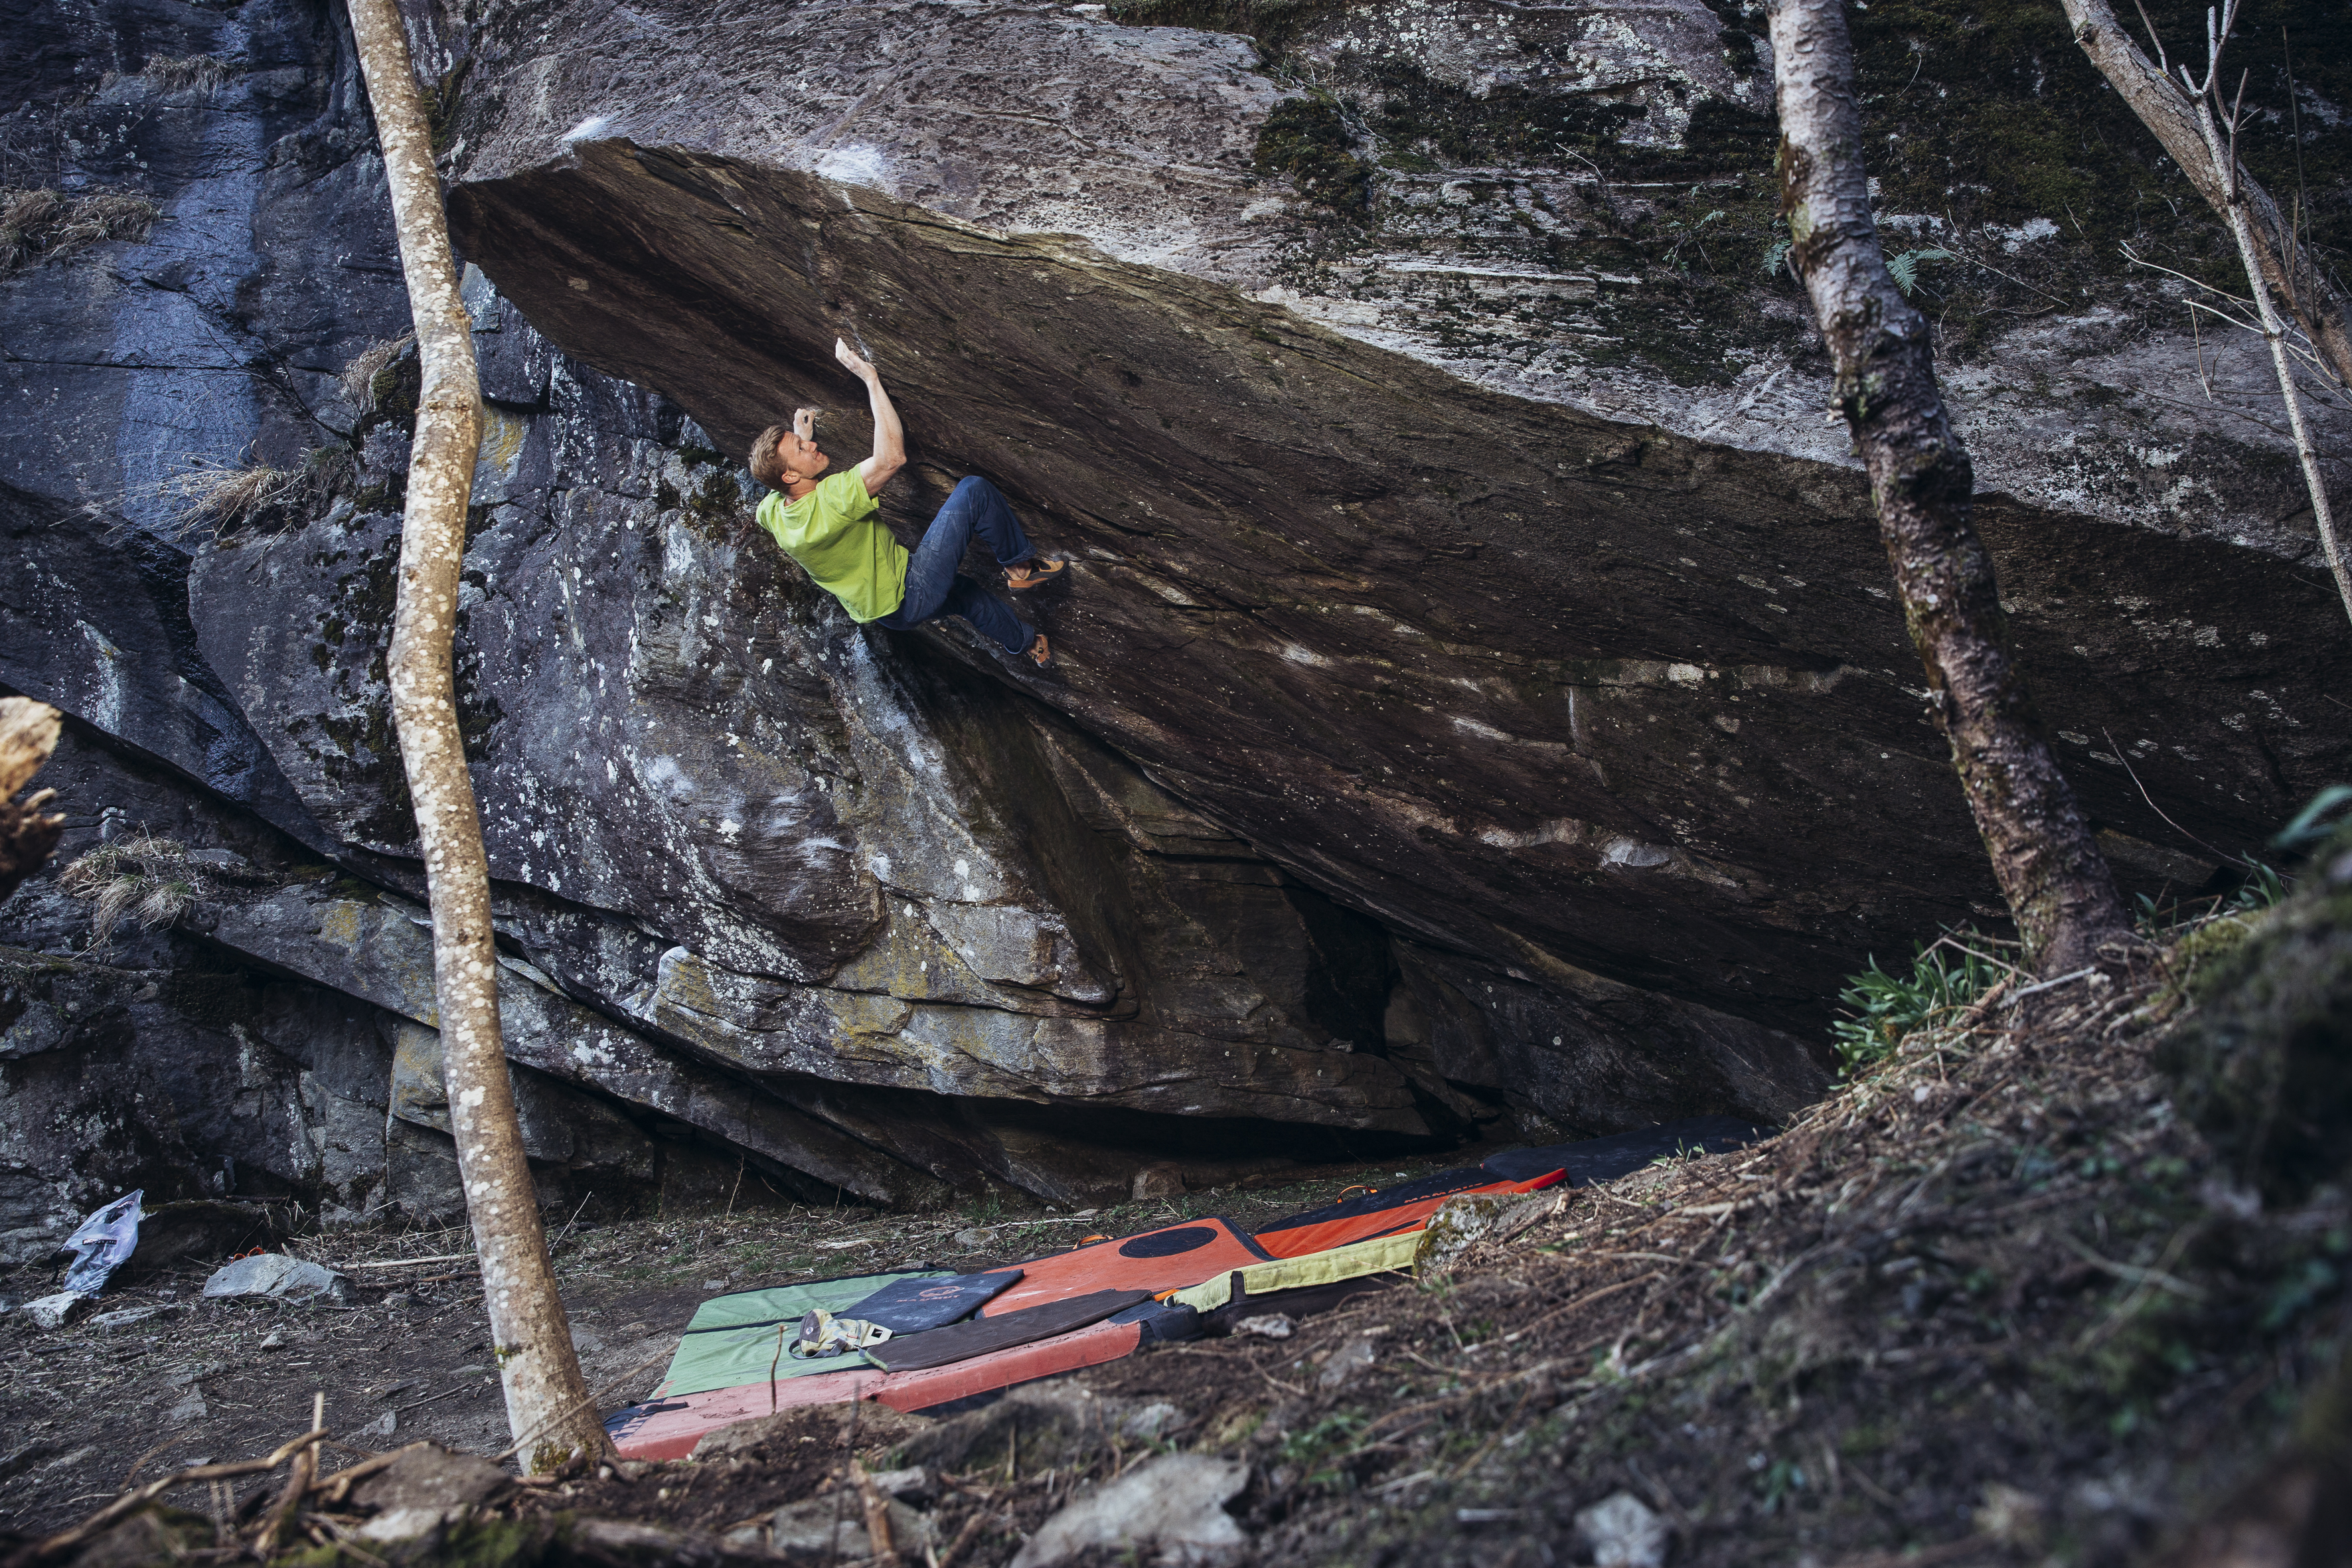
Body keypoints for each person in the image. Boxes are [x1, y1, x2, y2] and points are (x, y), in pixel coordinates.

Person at [747, 339, 1064, 667]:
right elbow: (891, 459)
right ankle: (1020, 568)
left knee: (968, 597)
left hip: (890, 615)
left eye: (802, 443)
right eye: (801, 451)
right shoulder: (830, 501)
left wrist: (802, 441)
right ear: (790, 477)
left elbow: (776, 486)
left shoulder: (773, 513)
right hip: (912, 588)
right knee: (974, 491)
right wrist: (870, 378)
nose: (810, 448)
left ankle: (1030, 645)